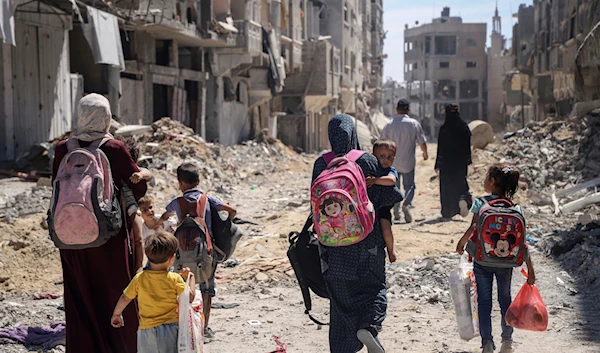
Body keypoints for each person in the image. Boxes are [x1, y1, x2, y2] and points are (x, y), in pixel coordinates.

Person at [52, 94, 147, 353]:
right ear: (106, 117)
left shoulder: (62, 149)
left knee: (79, 296)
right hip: (110, 238)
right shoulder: (114, 148)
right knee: (116, 294)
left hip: (70, 235)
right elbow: (138, 188)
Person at [312, 114, 403, 353]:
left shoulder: (321, 164)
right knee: (373, 289)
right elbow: (386, 200)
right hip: (368, 242)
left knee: (341, 300)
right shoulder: (368, 161)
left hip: (334, 246)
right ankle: (368, 327)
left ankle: (343, 347)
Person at [455, 165, 536, 353]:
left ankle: (487, 343)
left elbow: (474, 227)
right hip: (506, 263)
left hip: (483, 261)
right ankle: (507, 340)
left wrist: (462, 242)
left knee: (484, 302)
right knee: (505, 299)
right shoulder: (515, 208)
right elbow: (522, 242)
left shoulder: (481, 202)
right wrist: (530, 269)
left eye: (486, 178)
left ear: (492, 181)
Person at [163, 162, 237, 342]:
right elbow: (232, 210)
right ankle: (204, 328)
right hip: (206, 254)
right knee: (207, 289)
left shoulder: (176, 202)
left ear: (180, 183)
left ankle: (183, 324)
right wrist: (224, 224)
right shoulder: (208, 199)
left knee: (182, 288)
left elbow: (164, 217)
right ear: (199, 181)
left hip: (181, 255)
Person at [111, 231, 196, 353]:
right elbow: (190, 297)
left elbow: (125, 297)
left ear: (148, 255)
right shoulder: (174, 279)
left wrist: (117, 314)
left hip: (146, 329)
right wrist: (191, 277)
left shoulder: (139, 278)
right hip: (170, 328)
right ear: (172, 258)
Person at [380, 99, 428, 223]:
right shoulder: (414, 124)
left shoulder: (389, 124)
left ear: (397, 110)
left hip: (392, 163)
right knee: (410, 186)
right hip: (408, 163)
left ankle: (396, 211)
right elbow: (422, 141)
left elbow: (381, 143)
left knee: (394, 187)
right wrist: (425, 153)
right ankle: (406, 204)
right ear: (408, 110)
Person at [117, 135, 154, 272]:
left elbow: (147, 172)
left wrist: (140, 175)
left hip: (131, 206)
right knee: (138, 238)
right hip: (124, 206)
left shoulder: (132, 170)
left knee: (139, 238)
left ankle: (139, 267)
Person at [435, 104, 473, 219]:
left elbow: (440, 148)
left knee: (446, 188)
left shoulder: (444, 129)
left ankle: (447, 212)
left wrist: (438, 163)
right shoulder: (464, 127)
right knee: (461, 185)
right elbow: (468, 145)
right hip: (460, 164)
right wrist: (468, 160)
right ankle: (463, 199)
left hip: (446, 165)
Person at [366, 139, 400, 263]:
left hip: (383, 207)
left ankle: (390, 250)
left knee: (386, 228)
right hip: (369, 206)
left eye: (390, 157)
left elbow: (391, 180)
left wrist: (375, 180)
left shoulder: (390, 171)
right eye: (382, 156)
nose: (386, 160)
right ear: (373, 156)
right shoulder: (371, 168)